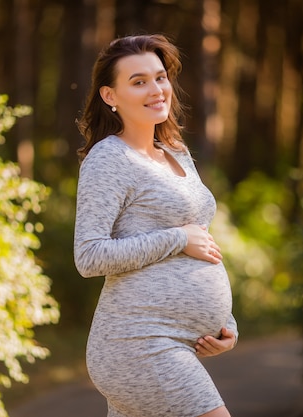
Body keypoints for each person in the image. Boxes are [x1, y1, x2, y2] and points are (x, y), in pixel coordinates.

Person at [74, 34, 238, 417]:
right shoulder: (109, 158)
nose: (156, 89)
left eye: (160, 77)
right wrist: (176, 238)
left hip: (177, 340)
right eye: (138, 81)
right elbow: (89, 255)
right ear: (110, 96)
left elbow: (202, 240)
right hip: (136, 341)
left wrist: (224, 323)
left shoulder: (176, 152)